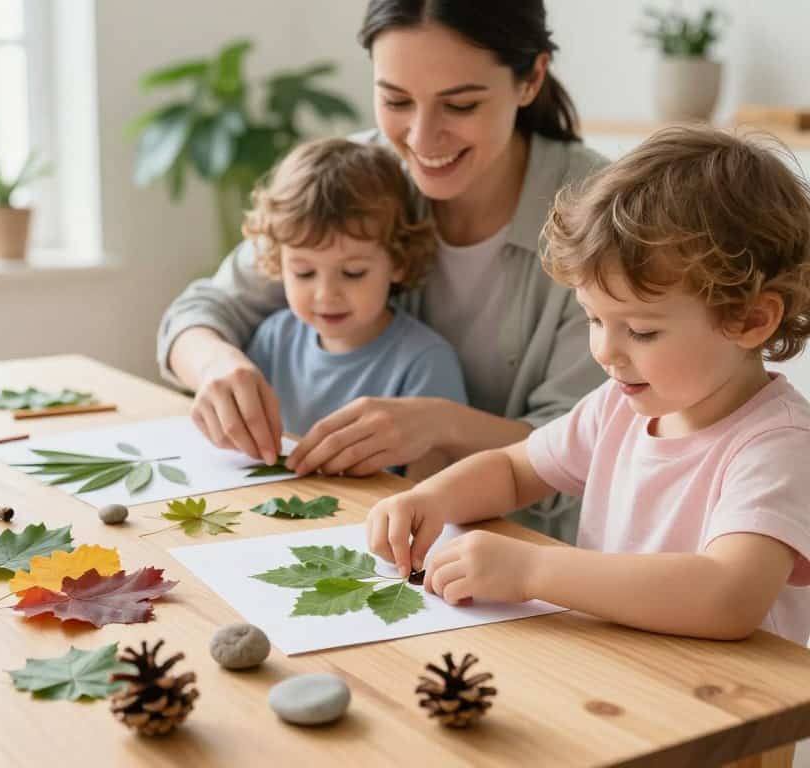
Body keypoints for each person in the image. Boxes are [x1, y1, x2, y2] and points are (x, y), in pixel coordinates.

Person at [157, 0, 608, 541]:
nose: (421, 138)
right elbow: (200, 312)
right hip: (359, 532)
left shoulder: (603, 214)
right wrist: (215, 367)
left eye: (460, 105)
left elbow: (590, 449)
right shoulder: (356, 176)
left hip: (526, 555)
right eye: (395, 100)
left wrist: (441, 425)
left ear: (531, 78)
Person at [367, 126, 810, 644]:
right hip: (626, 681)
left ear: (751, 320)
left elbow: (727, 596)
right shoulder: (620, 408)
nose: (604, 350)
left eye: (641, 330)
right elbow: (514, 470)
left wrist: (533, 571)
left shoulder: (780, 446)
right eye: (594, 320)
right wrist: (430, 499)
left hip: (737, 706)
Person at [242, 138, 467, 477]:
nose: (326, 294)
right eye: (303, 272)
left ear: (398, 261)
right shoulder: (273, 339)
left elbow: (433, 493)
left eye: (352, 273)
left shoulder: (425, 363)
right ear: (278, 262)